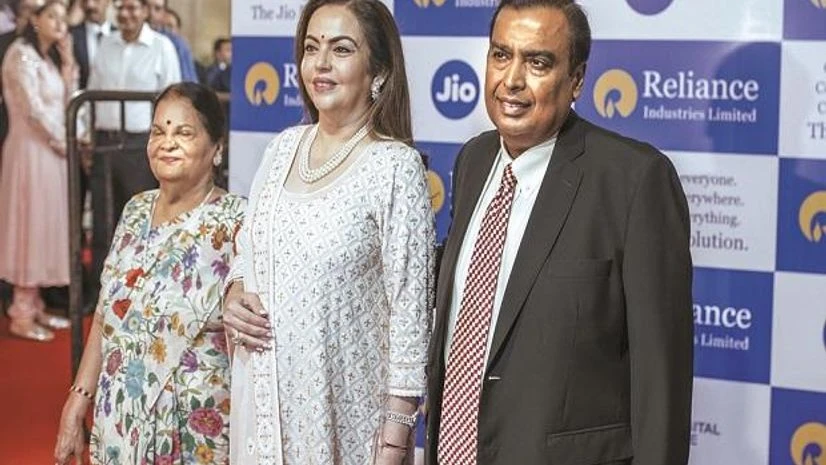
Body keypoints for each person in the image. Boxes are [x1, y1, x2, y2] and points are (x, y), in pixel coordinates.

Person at [425, 0, 694, 464]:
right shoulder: (473, 160)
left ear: (576, 80)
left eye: (538, 62)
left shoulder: (634, 180)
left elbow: (660, 380)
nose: (511, 80)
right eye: (500, 54)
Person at [221, 0, 435, 463]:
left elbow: (410, 315)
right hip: (260, 400)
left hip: (344, 415)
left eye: (341, 49)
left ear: (377, 70)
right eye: (311, 47)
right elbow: (249, 249)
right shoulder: (281, 149)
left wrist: (397, 437)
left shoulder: (394, 167)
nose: (320, 64)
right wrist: (234, 292)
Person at [54, 82, 245, 465]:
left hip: (193, 425)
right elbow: (108, 309)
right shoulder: (136, 210)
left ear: (217, 150)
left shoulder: (237, 221)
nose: (167, 142)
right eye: (158, 131)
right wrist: (79, 397)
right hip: (120, 415)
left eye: (184, 133)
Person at [86, 0, 181, 297]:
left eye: (133, 8)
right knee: (103, 221)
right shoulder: (106, 45)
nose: (126, 14)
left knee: (140, 221)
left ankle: (137, 293)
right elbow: (91, 90)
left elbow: (173, 99)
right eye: (121, 8)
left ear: (144, 11)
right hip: (104, 141)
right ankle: (100, 294)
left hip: (139, 145)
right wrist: (86, 133)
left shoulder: (162, 46)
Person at [0, 0, 76, 341]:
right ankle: (20, 313)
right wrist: (65, 141)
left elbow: (67, 104)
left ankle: (37, 306)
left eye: (63, 17)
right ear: (35, 20)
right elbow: (32, 110)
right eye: (52, 16)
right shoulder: (20, 54)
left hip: (52, 153)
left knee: (45, 227)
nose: (60, 23)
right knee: (28, 227)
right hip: (30, 151)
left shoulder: (48, 58)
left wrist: (70, 60)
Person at [146, 0, 197, 82]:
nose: (151, 14)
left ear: (164, 13)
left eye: (157, 8)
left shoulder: (176, 43)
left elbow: (188, 83)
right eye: (146, 7)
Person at [69, 0, 113, 89]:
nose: (90, 5)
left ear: (108, 2)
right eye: (85, 1)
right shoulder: (71, 36)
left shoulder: (120, 35)